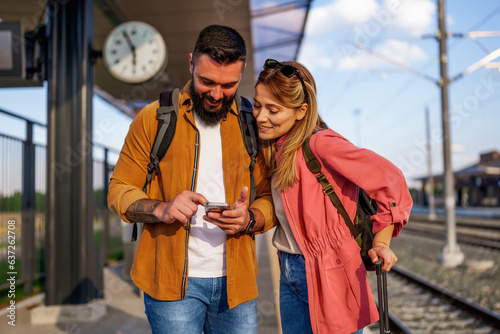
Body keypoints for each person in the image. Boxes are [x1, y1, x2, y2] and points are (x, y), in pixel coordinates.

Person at [107, 25, 275, 334]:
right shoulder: (153, 117)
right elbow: (118, 189)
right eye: (206, 81)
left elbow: (273, 195)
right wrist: (162, 209)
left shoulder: (255, 122)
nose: (216, 94)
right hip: (170, 287)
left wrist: (250, 218)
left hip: (237, 286)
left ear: (242, 74)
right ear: (190, 64)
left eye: (228, 85)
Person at [252, 59, 413, 334]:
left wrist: (382, 240)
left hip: (332, 270)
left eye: (273, 109)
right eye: (257, 105)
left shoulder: (321, 143)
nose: (260, 116)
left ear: (301, 111)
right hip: (290, 268)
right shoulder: (276, 148)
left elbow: (390, 179)